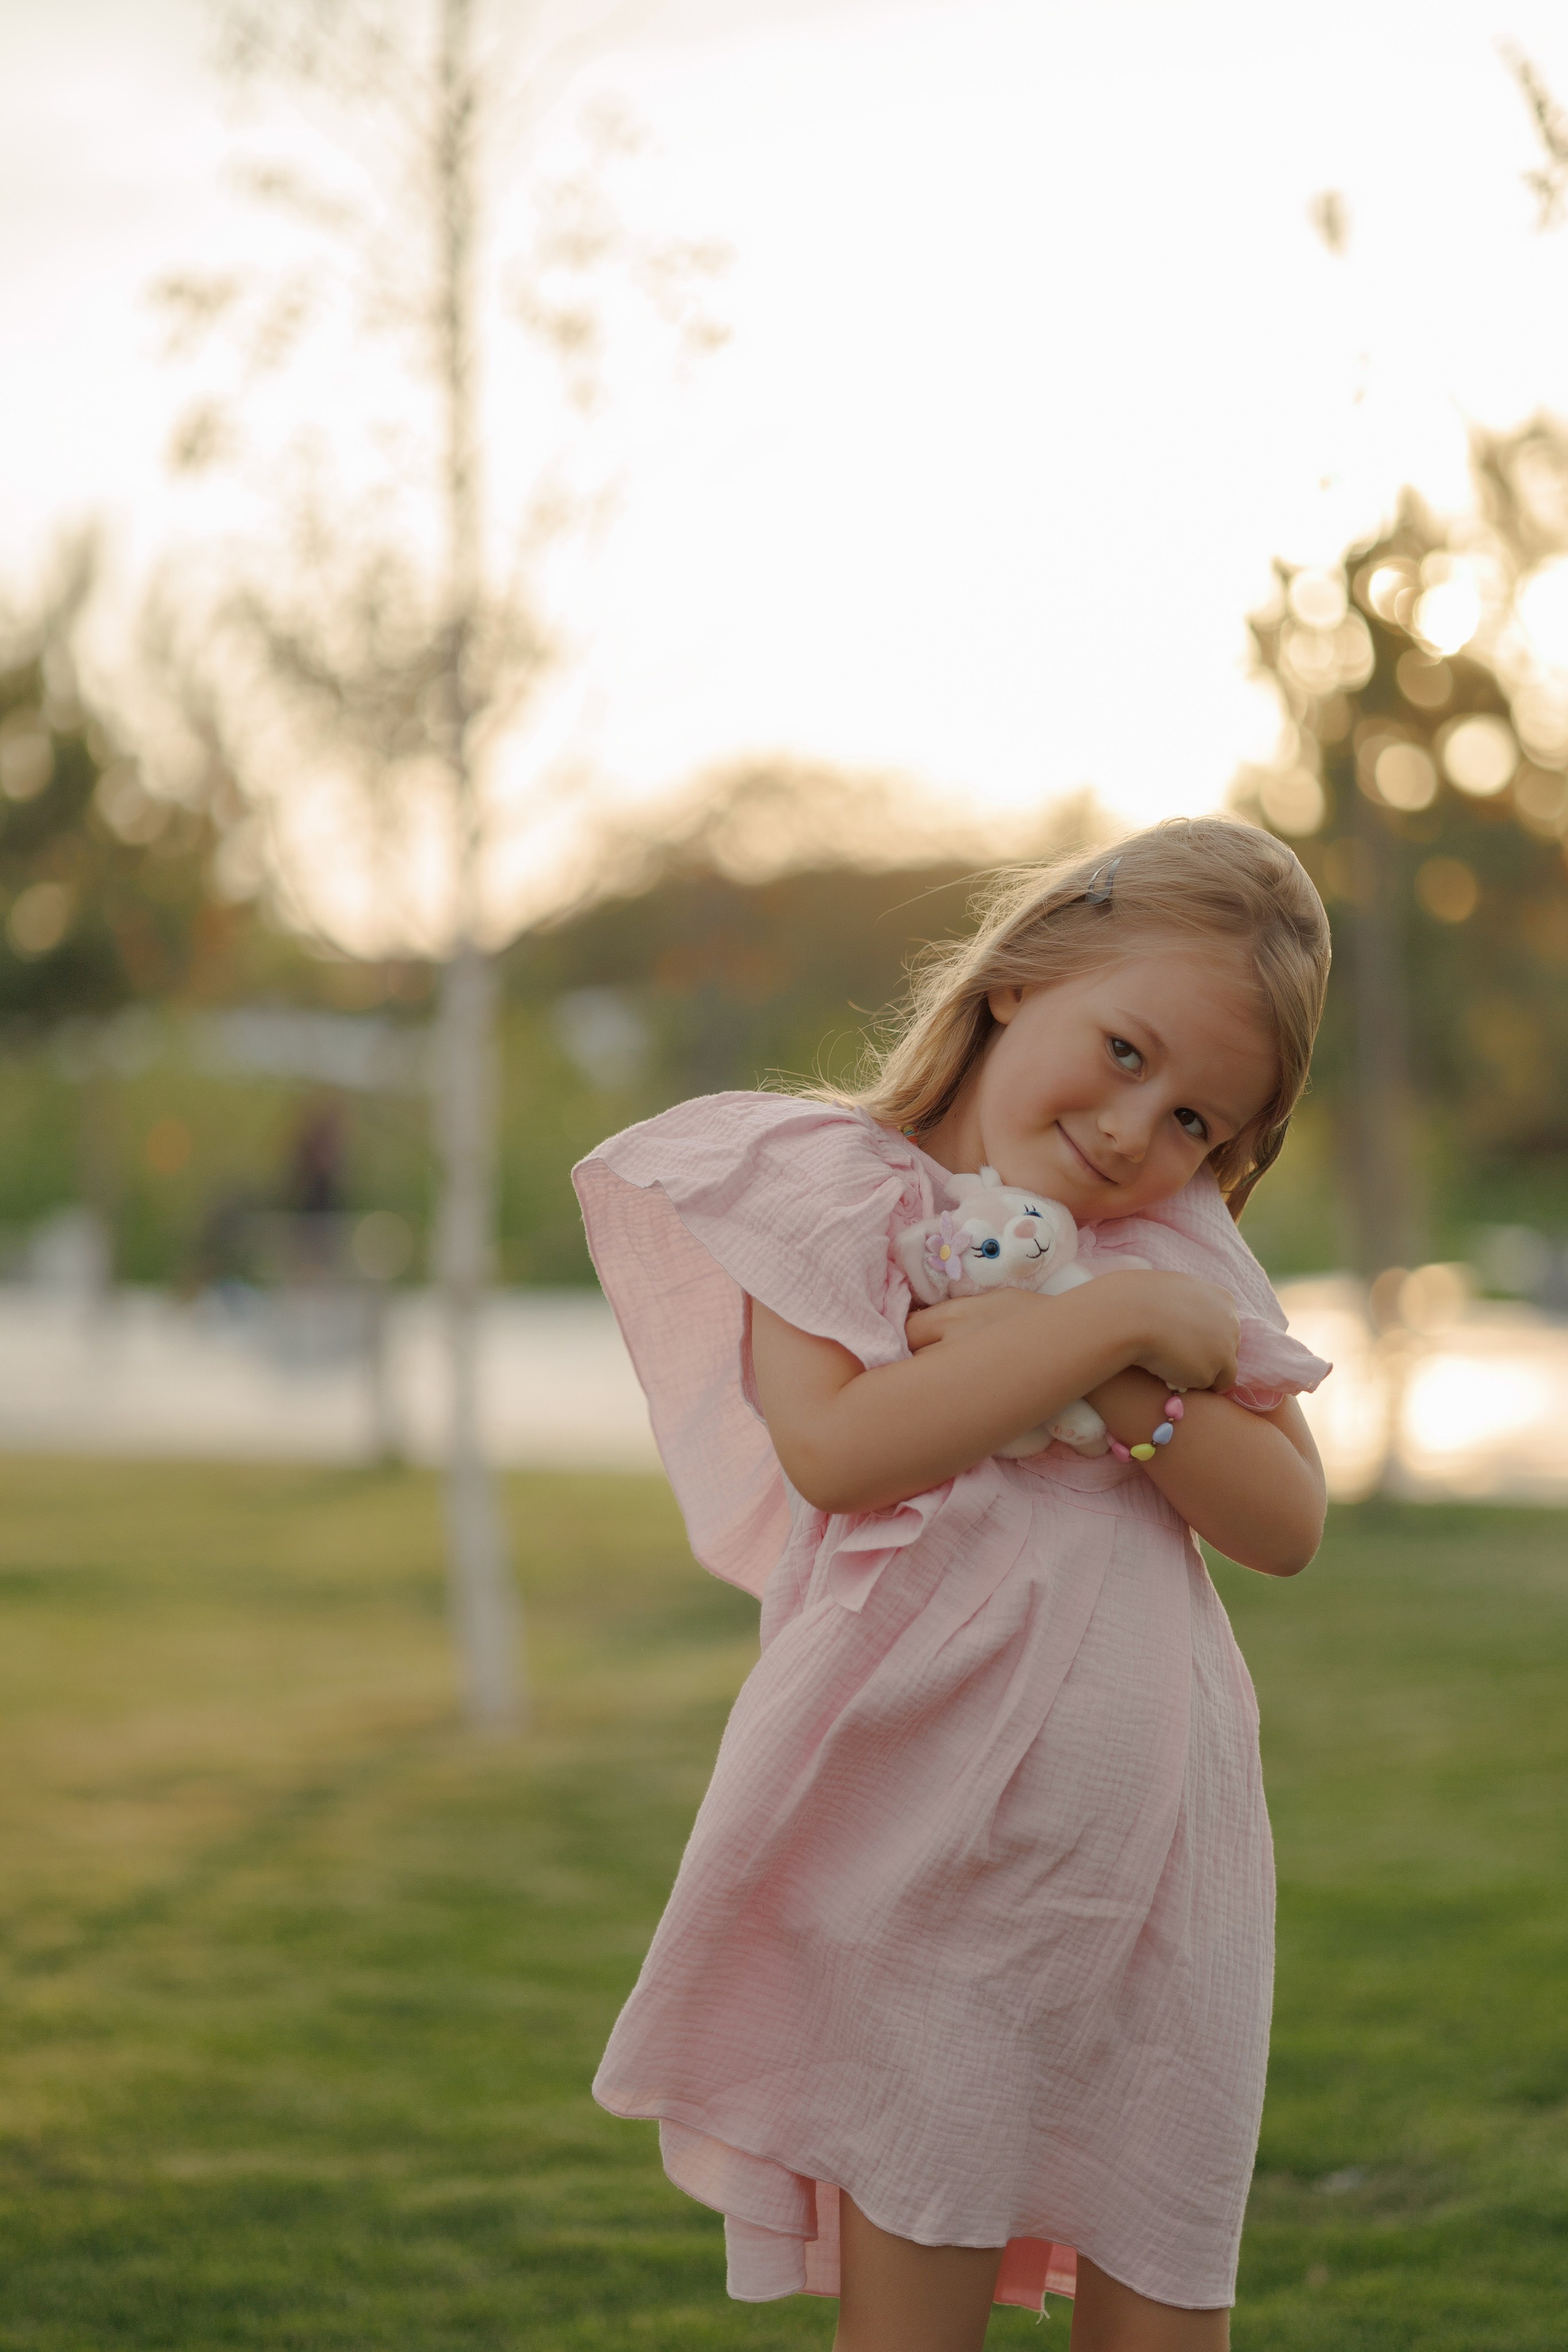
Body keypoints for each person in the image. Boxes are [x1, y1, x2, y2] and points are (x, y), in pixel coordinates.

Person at [574, 817, 1333, 2352]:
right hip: (924, 1847)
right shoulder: (828, 1193)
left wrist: (1120, 1371)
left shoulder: (1170, 1250)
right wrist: (1107, 1323)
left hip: (1157, 1857)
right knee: (916, 2275)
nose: (1132, 1130)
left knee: (1162, 2286)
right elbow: (842, 1450)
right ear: (1018, 978)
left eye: (1192, 1119)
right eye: (1122, 1053)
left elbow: (1284, 1519)